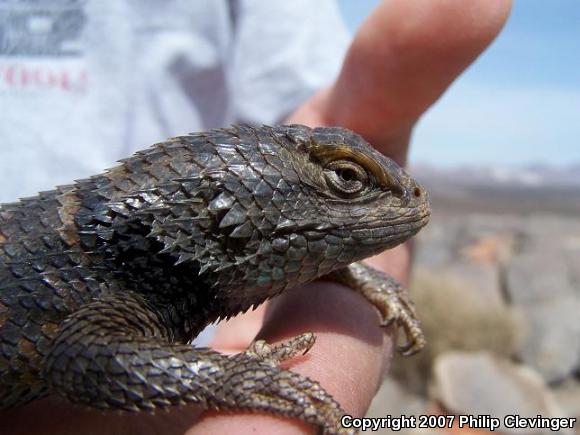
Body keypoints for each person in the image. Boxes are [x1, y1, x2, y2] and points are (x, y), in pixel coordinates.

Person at [0, 1, 512, 434]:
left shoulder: (186, 249)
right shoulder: (124, 278)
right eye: (346, 181)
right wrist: (225, 377)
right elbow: (85, 359)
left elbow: (256, 239)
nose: (410, 200)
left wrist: (341, 263)